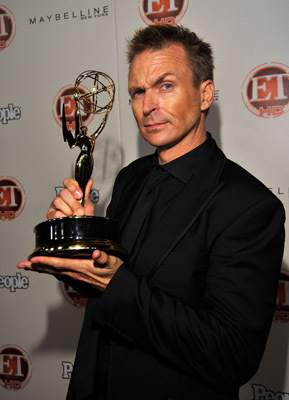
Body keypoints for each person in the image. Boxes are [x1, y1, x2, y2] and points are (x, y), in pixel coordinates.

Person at [18, 25, 285, 400]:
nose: (147, 106)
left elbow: (232, 355)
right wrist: (81, 241)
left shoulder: (250, 206)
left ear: (205, 93)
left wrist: (114, 283)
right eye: (138, 92)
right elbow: (109, 285)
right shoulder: (130, 178)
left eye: (166, 86)